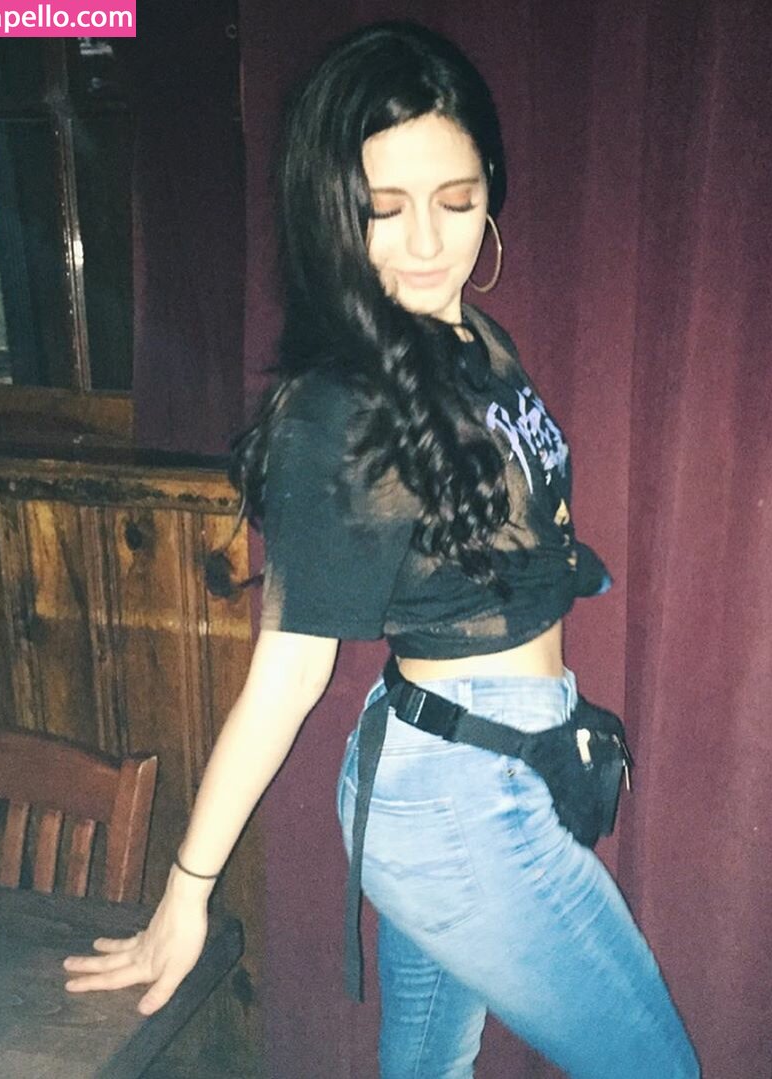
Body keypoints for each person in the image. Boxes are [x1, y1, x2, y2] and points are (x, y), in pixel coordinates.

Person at [63, 21, 701, 1079]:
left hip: (469, 760)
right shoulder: (341, 404)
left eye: (455, 199)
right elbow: (287, 674)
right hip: (457, 795)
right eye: (385, 208)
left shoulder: (475, 340)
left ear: (490, 188)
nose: (427, 242)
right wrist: (186, 891)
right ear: (336, 212)